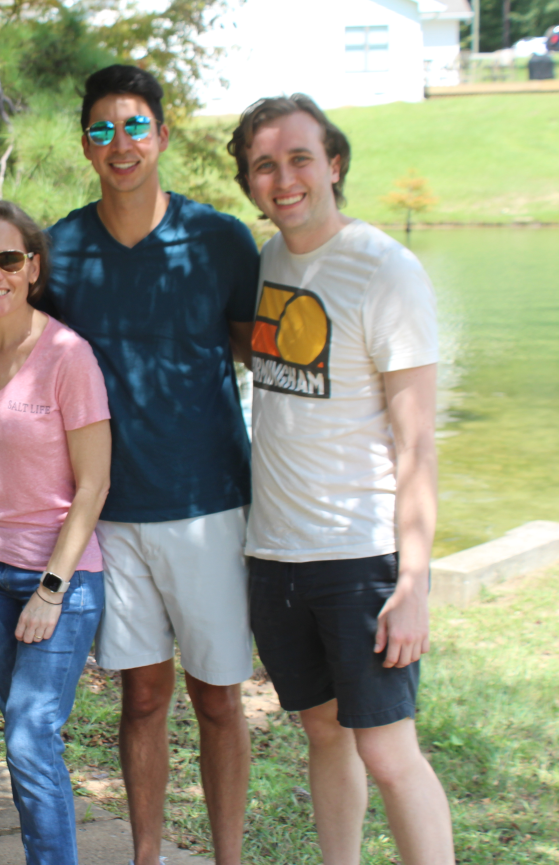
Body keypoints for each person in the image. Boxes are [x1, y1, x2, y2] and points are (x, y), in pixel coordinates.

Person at [41, 65, 260, 865]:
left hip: (209, 503)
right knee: (141, 696)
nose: (121, 143)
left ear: (162, 136)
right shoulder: (60, 249)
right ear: (86, 146)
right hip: (110, 512)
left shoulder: (221, 240)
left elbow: (262, 353)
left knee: (219, 698)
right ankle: (146, 855)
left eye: (135, 125)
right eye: (102, 129)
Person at [228, 94, 453, 865]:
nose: (283, 178)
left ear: (334, 163)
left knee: (388, 749)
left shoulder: (387, 270)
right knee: (322, 730)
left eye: (299, 158)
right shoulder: (266, 261)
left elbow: (417, 443)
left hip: (360, 556)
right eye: (264, 165)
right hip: (275, 553)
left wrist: (413, 581)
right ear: (249, 182)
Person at [0, 200, 111, 864]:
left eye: (8, 259)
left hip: (59, 579)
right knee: (25, 737)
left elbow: (93, 485)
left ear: (33, 268)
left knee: (29, 736)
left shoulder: (68, 355)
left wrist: (50, 589)